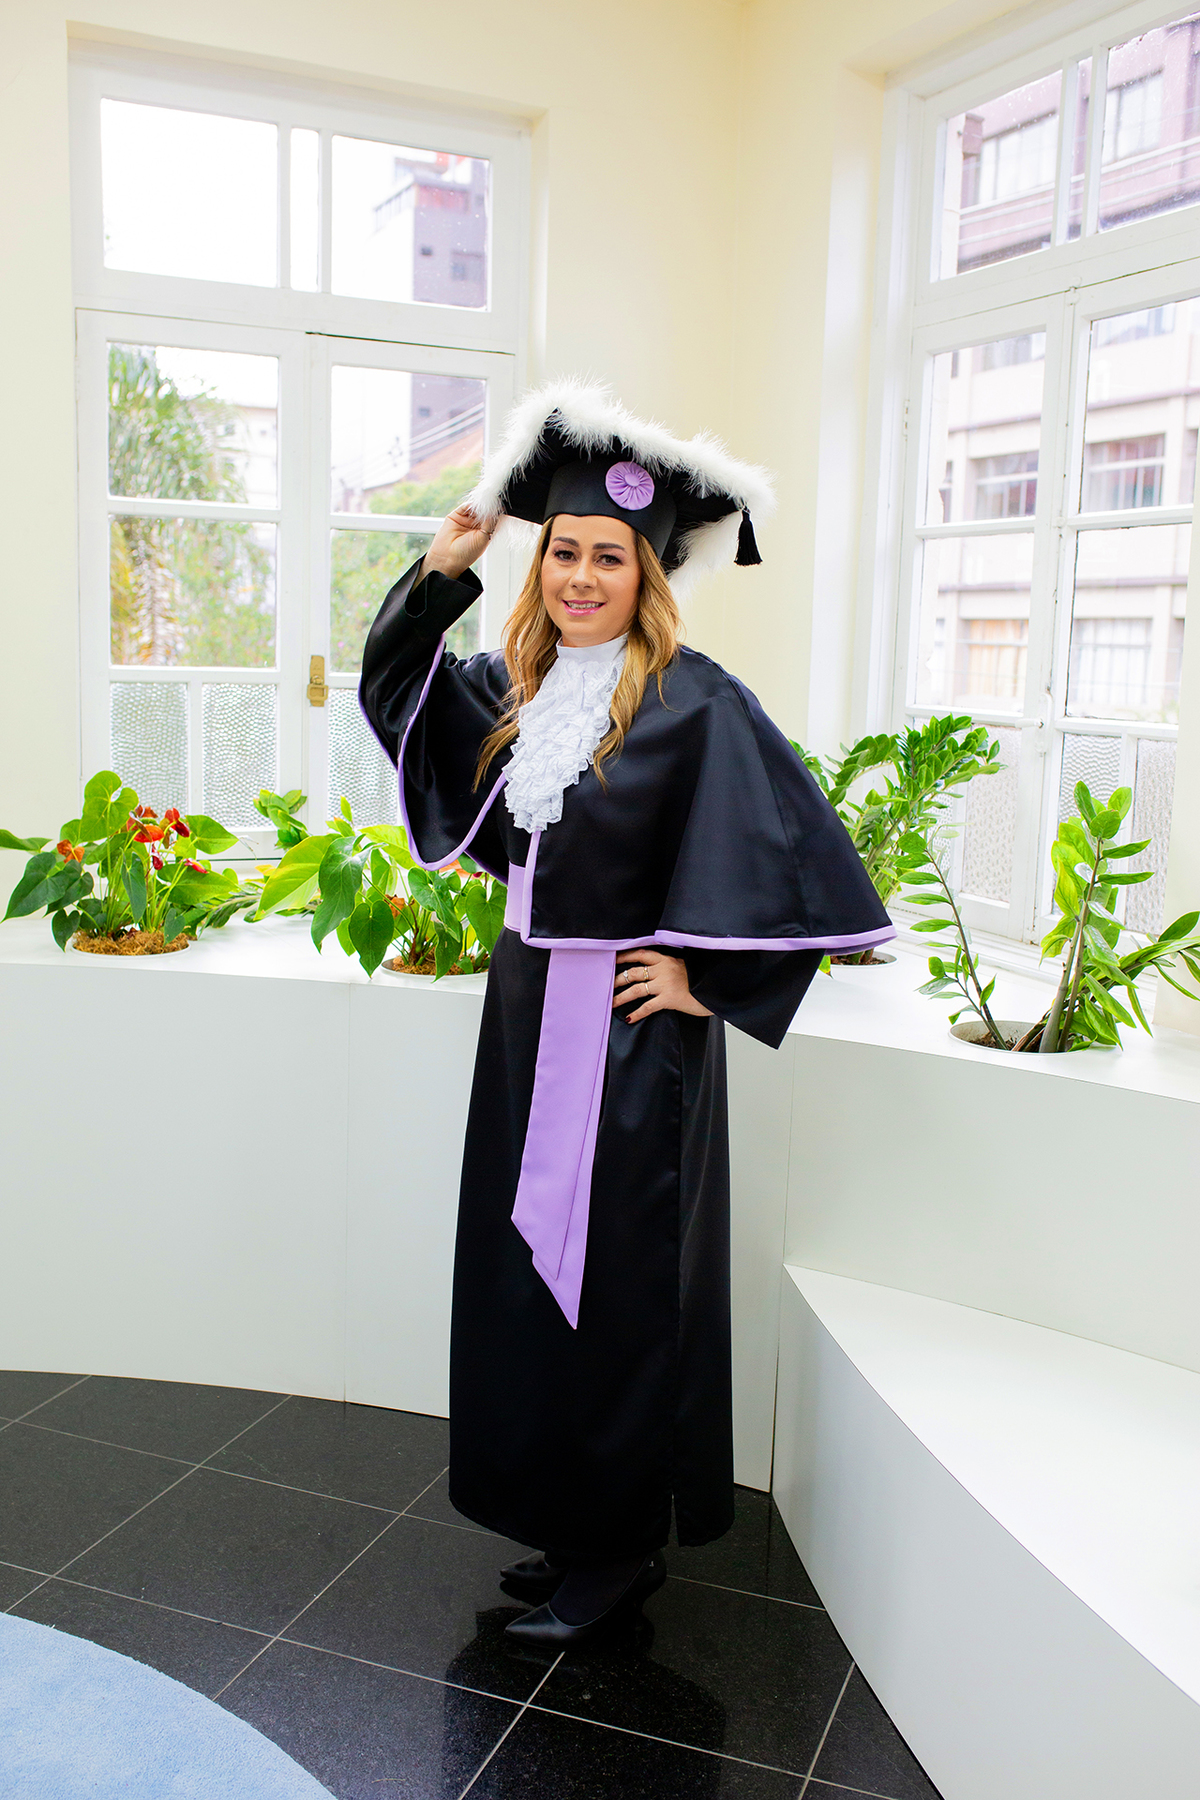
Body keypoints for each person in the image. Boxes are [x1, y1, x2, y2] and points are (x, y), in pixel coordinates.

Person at [360, 382, 893, 1648]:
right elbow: (394, 698)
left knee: (618, 1285)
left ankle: (617, 1552)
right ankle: (567, 1524)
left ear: (647, 575)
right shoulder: (515, 688)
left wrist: (707, 984)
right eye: (566, 553)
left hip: (632, 1044)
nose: (583, 576)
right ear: (538, 563)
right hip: (526, 1011)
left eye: (610, 558)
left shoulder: (693, 699)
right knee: (529, 1278)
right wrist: (438, 577)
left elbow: (806, 863)